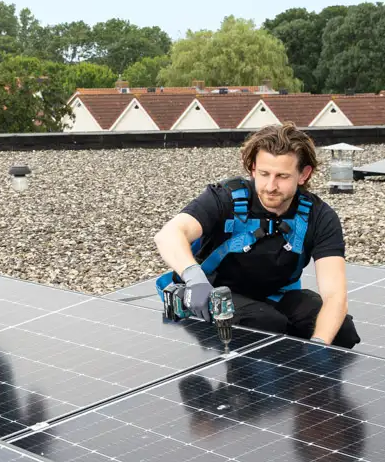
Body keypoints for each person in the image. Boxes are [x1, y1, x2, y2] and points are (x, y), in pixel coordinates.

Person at [153, 123, 360, 347]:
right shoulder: (226, 197)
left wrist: (320, 346)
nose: (271, 186)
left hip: (273, 296)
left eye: (282, 176)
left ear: (304, 174)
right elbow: (169, 234)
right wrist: (194, 278)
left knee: (341, 331)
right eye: (263, 174)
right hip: (214, 294)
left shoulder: (319, 217)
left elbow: (335, 296)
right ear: (252, 168)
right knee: (265, 324)